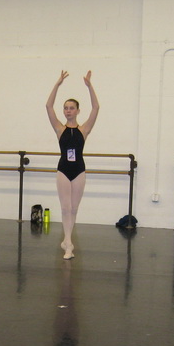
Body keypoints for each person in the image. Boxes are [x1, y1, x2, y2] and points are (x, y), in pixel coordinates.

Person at [45, 70, 99, 259]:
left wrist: (89, 86)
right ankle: (68, 243)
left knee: (74, 208)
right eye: (66, 108)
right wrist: (57, 84)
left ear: (77, 111)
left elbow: (96, 108)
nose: (68, 111)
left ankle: (67, 240)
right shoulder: (59, 129)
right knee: (65, 208)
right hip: (63, 170)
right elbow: (48, 106)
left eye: (71, 108)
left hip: (79, 170)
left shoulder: (84, 130)